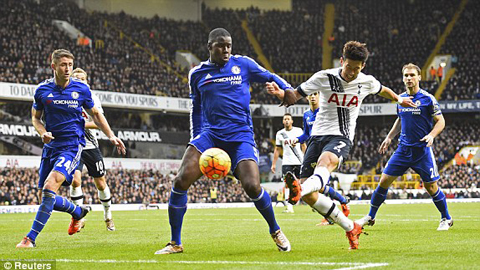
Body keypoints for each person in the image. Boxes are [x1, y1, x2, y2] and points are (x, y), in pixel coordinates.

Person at [266, 41, 416, 249]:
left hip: (341, 136)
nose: (352, 73)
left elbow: (383, 90)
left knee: (325, 163)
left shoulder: (366, 81)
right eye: (349, 67)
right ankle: (349, 226)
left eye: (357, 68)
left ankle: (298, 188)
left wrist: (399, 99)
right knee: (310, 197)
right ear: (342, 61)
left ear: (362, 66)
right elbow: (295, 94)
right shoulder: (325, 77)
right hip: (317, 137)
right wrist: (281, 94)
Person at [155, 28, 292, 255]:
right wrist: (196, 137)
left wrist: (287, 89)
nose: (226, 49)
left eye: (229, 45)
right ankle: (175, 243)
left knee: (252, 186)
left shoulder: (244, 64)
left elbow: (270, 75)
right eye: (221, 45)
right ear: (210, 47)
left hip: (241, 136)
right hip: (209, 135)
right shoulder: (197, 74)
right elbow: (196, 108)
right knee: (180, 181)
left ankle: (275, 230)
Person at [16, 49, 125, 248]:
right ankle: (77, 212)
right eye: (63, 65)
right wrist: (42, 133)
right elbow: (35, 118)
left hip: (72, 145)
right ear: (53, 67)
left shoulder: (81, 90)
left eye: (70, 65)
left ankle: (30, 238)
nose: (67, 69)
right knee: (44, 197)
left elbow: (97, 115)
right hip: (50, 146)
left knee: (51, 187)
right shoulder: (42, 90)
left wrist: (111, 135)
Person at [356, 63, 453, 231]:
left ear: (419, 77)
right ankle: (370, 216)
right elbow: (400, 119)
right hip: (403, 149)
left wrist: (431, 135)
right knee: (384, 180)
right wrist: (389, 137)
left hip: (422, 151)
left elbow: (441, 121)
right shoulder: (400, 99)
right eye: (406, 75)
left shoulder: (428, 99)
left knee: (431, 187)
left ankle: (446, 218)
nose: (409, 78)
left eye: (412, 75)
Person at [286, 92, 351, 226]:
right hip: (312, 146)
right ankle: (341, 201)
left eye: (315, 94)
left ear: (320, 95)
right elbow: (306, 134)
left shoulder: (325, 111)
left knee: (318, 184)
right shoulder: (306, 115)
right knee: (307, 185)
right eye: (310, 94)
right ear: (307, 97)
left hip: (325, 146)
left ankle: (334, 212)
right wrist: (297, 139)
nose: (313, 96)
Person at [69, 68, 115, 231]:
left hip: (90, 145)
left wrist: (78, 124)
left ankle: (108, 216)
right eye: (76, 78)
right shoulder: (66, 97)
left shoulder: (91, 98)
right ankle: (78, 218)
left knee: (101, 184)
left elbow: (98, 122)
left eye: (82, 78)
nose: (79, 80)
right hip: (73, 147)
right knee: (75, 180)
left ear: (86, 82)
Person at [271, 113, 304, 213]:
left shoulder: (298, 131)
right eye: (285, 119)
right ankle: (289, 206)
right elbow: (277, 149)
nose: (286, 121)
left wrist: (306, 159)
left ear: (292, 121)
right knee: (287, 183)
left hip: (299, 161)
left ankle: (309, 201)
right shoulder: (279, 134)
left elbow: (303, 145)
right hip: (286, 161)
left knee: (300, 183)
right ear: (283, 121)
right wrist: (273, 164)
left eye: (288, 119)